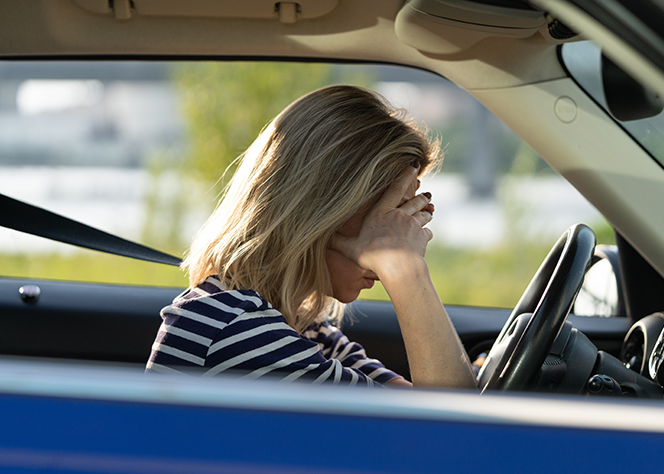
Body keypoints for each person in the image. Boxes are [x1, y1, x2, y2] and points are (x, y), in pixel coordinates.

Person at [145, 85, 477, 389]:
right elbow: (450, 431)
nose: (400, 231)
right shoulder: (236, 330)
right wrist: (404, 267)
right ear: (324, 212)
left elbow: (431, 408)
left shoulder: (301, 326)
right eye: (387, 214)